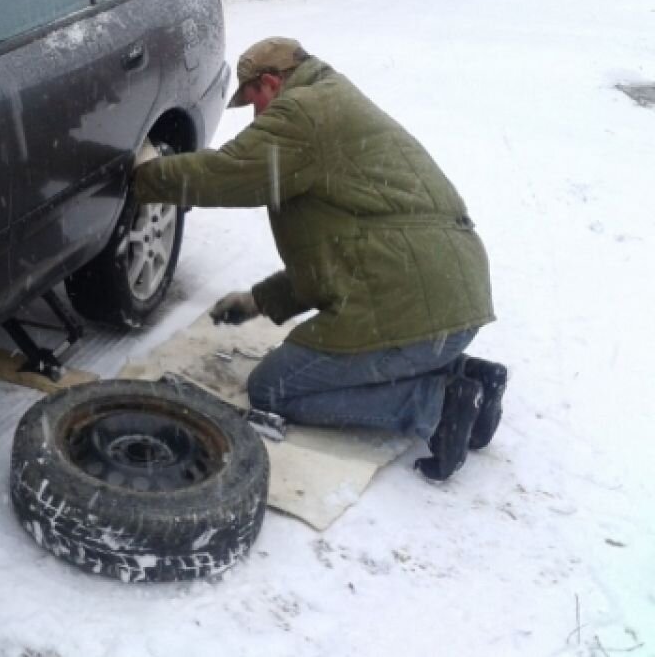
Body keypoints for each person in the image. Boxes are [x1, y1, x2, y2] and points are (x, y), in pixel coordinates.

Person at [133, 37, 508, 481]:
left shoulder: (301, 113)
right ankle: (468, 378)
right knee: (326, 360)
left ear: (271, 83)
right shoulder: (333, 104)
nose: (255, 119)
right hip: (448, 305)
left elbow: (226, 175)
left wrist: (143, 177)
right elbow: (339, 259)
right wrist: (258, 301)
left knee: (275, 388)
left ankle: (438, 404)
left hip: (410, 307)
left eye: (253, 102)